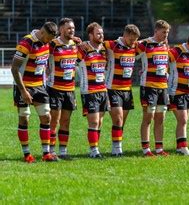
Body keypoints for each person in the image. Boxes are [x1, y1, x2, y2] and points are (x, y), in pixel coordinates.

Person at [11, 21, 58, 162]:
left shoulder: (47, 41)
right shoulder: (27, 43)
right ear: (42, 32)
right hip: (23, 86)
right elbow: (14, 68)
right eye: (48, 39)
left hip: (39, 86)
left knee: (46, 117)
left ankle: (46, 154)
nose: (49, 42)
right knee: (24, 118)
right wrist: (23, 91)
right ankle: (27, 155)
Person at [105, 24, 140, 156]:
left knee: (122, 122)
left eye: (135, 40)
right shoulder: (112, 45)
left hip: (127, 89)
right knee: (118, 119)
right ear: (125, 35)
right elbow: (94, 44)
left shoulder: (135, 46)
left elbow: (149, 44)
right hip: (113, 88)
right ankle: (116, 149)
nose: (133, 42)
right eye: (131, 39)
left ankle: (117, 144)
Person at [136, 20, 171, 157]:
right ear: (156, 31)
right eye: (163, 32)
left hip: (163, 87)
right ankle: (146, 148)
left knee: (160, 118)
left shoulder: (165, 45)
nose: (166, 35)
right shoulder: (145, 44)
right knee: (148, 117)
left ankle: (159, 148)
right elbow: (129, 53)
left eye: (167, 32)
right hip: (148, 87)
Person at [47, 18, 78, 160]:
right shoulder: (52, 44)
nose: (71, 30)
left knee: (66, 121)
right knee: (54, 121)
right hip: (54, 88)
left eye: (73, 28)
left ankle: (63, 151)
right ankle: (50, 151)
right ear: (61, 30)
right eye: (68, 28)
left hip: (70, 89)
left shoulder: (76, 44)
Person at [77, 22, 108, 158]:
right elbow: (72, 60)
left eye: (102, 33)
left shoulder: (105, 49)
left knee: (99, 122)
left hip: (103, 90)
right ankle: (93, 150)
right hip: (89, 90)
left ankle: (96, 148)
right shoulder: (83, 49)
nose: (101, 35)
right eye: (98, 33)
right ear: (90, 35)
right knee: (94, 121)